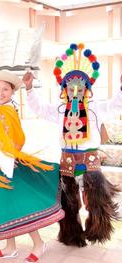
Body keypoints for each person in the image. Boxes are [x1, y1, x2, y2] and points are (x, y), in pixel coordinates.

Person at [24, 42, 122, 247]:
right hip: (67, 161)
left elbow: (116, 105)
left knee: (95, 202)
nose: (75, 90)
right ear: (64, 89)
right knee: (69, 203)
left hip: (90, 162)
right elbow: (39, 109)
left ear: (86, 88)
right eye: (70, 86)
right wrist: (29, 88)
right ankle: (71, 234)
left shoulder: (96, 108)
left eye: (79, 86)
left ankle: (97, 231)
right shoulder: (60, 109)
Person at [0, 70, 64, 263]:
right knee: (7, 207)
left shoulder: (7, 112)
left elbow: (18, 139)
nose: (0, 92)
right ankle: (10, 247)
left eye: (5, 89)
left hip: (8, 167)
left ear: (11, 92)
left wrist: (8, 155)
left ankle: (38, 244)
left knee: (21, 207)